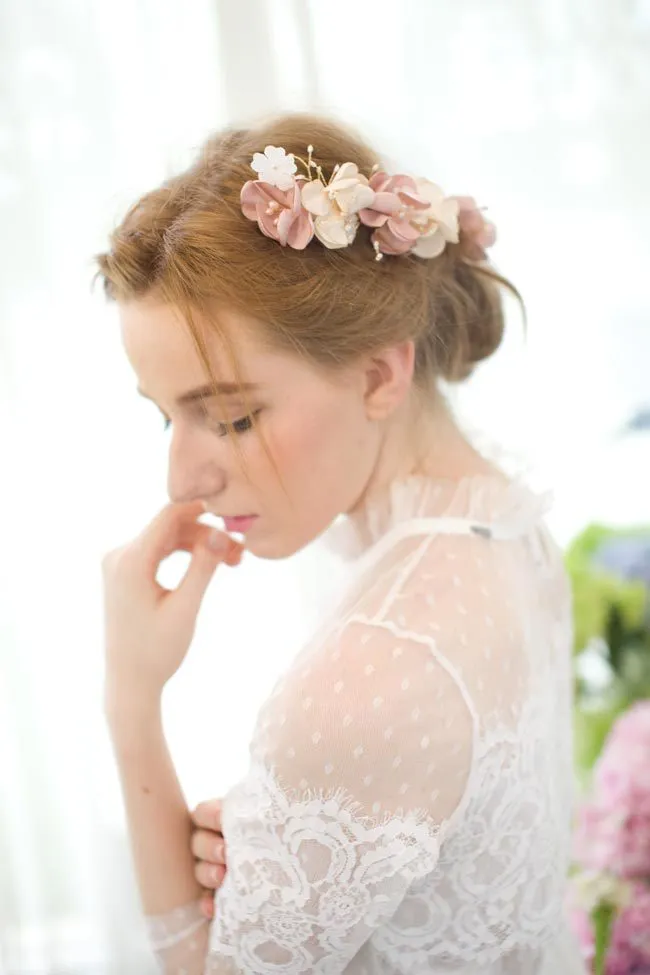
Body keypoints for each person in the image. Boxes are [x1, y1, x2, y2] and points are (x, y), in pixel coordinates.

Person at [96, 113, 585, 973]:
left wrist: (131, 700)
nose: (183, 479)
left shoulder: (373, 673)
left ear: (379, 375)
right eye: (165, 412)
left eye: (234, 416)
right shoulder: (507, 525)